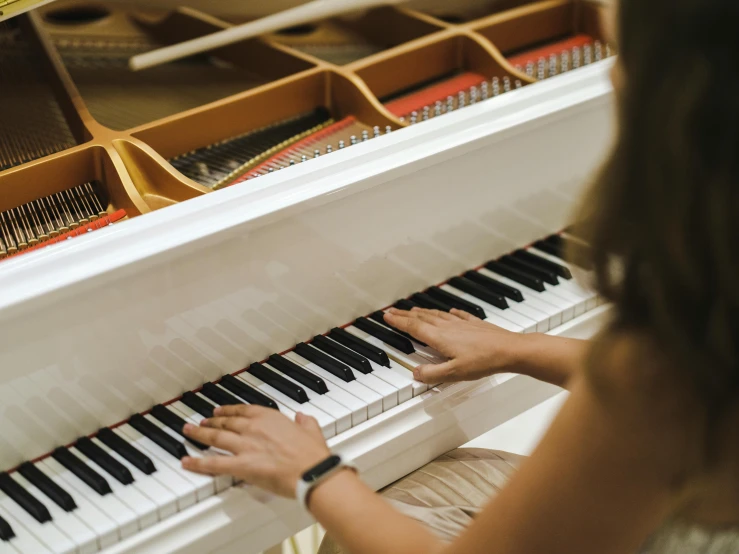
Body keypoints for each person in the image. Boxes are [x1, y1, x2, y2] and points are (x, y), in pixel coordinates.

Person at [181, 0, 739, 551]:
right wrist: (521, 346)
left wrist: (313, 474)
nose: (612, 73)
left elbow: (654, 394)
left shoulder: (655, 382)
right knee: (414, 485)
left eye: (620, 57)